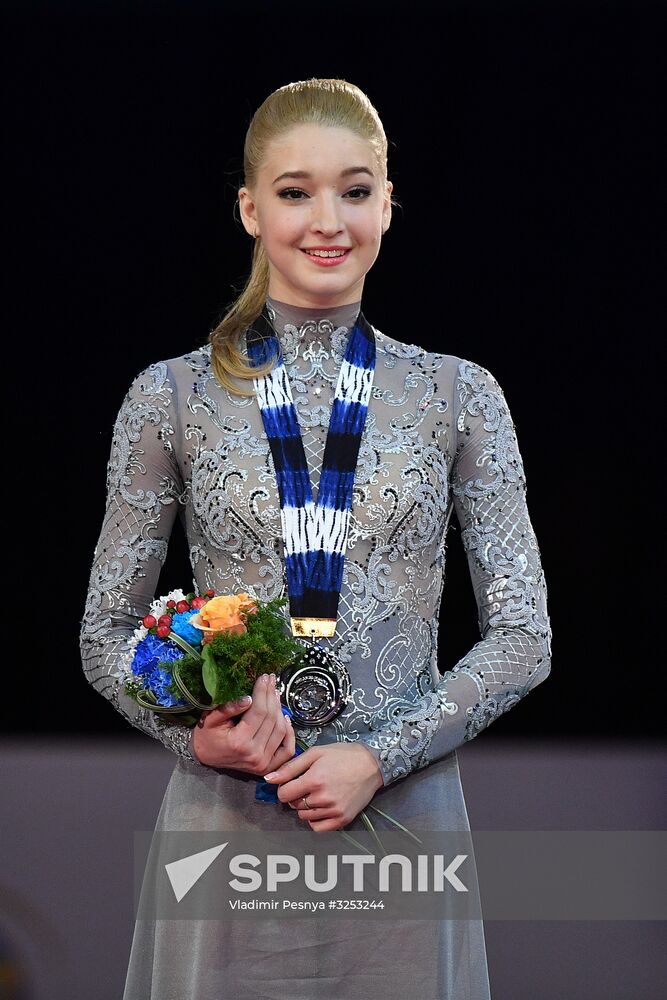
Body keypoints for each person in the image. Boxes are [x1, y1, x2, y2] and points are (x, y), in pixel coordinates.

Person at [80, 77, 552, 1000]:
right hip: (228, 818)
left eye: (355, 189)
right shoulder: (169, 395)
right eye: (295, 192)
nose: (328, 221)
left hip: (404, 814)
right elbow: (105, 632)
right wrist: (198, 741)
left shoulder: (459, 394)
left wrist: (379, 757)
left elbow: (524, 636)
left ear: (388, 203)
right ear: (250, 209)